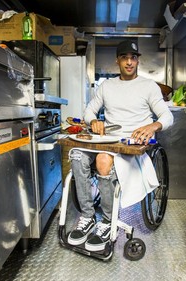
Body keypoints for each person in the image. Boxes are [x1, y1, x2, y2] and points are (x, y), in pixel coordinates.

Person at [67, 40, 174, 252]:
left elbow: (167, 116)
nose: (129, 62)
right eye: (124, 57)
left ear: (137, 60)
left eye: (133, 58)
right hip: (107, 140)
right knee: (77, 154)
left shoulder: (148, 87)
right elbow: (89, 112)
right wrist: (93, 121)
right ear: (118, 61)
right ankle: (87, 216)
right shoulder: (106, 86)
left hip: (131, 145)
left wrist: (153, 125)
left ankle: (107, 221)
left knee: (102, 160)